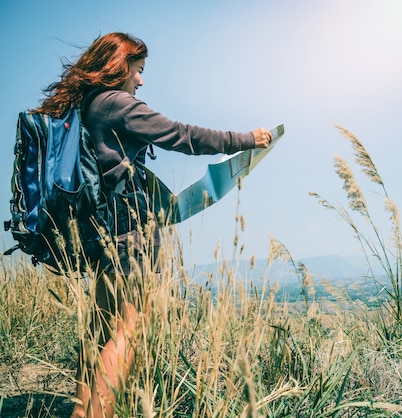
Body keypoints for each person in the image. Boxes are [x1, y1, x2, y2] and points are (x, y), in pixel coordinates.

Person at [35, 32, 272, 418]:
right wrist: (244, 139)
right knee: (131, 328)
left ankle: (82, 411)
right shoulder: (116, 103)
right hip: (131, 234)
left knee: (98, 331)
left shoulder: (86, 105)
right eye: (138, 70)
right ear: (119, 65)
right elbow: (181, 135)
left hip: (100, 233)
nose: (141, 80)